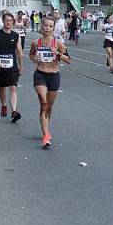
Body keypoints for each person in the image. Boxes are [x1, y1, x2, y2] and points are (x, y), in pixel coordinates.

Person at [30, 17, 70, 148]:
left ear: (53, 29)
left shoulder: (58, 43)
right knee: (44, 103)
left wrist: (58, 54)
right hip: (40, 74)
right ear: (41, 27)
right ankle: (46, 135)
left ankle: (45, 127)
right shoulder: (36, 43)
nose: (47, 28)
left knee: (49, 106)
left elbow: (69, 60)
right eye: (45, 25)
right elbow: (31, 55)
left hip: (54, 75)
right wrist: (34, 58)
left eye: (50, 26)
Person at [0, 12, 23, 122]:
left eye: (10, 20)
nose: (8, 22)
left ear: (13, 22)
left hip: (12, 66)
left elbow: (19, 52)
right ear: (3, 21)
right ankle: (4, 106)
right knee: (2, 87)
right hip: (0, 66)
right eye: (6, 20)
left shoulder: (16, 35)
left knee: (13, 87)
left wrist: (20, 66)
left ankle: (14, 111)